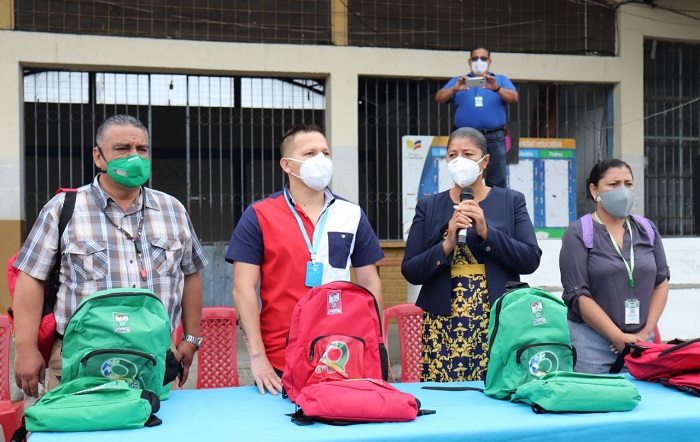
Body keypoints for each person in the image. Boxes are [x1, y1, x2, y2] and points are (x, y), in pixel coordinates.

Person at [13, 114, 208, 397]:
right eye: (122, 149)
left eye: (141, 149)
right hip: (80, 358)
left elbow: (190, 274)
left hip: (154, 356)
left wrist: (190, 338)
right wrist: (26, 349)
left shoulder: (172, 209)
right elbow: (30, 278)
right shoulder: (63, 209)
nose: (134, 157)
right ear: (99, 157)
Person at [226, 124, 384, 395]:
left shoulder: (351, 214)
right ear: (287, 165)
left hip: (340, 353)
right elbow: (243, 289)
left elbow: (370, 282)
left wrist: (376, 346)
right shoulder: (258, 215)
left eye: (325, 152)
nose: (321, 160)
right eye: (310, 153)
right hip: (280, 360)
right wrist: (257, 358)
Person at [401, 127, 541, 382]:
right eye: (453, 155)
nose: (459, 161)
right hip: (444, 323)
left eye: (468, 154)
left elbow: (530, 259)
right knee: (446, 399)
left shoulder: (511, 201)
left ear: (485, 161)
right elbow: (411, 270)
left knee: (497, 390)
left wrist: (488, 233)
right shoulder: (429, 205)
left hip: (497, 319)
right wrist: (447, 244)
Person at [559, 159, 670, 374]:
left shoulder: (647, 230)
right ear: (594, 190)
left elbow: (661, 282)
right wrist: (618, 338)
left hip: (641, 343)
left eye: (628, 184)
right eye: (613, 184)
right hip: (592, 343)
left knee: (646, 403)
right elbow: (577, 295)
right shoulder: (578, 233)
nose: (623, 191)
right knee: (596, 404)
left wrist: (645, 333)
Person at [435, 44, 518, 189]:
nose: (479, 61)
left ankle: (496, 211)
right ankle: (466, 209)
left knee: (497, 180)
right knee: (465, 177)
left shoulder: (499, 79)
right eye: (475, 58)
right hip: (466, 137)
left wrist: (497, 88)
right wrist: (454, 89)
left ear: (489, 61)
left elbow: (513, 97)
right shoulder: (459, 80)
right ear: (469, 61)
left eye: (483, 58)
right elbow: (440, 97)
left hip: (494, 136)